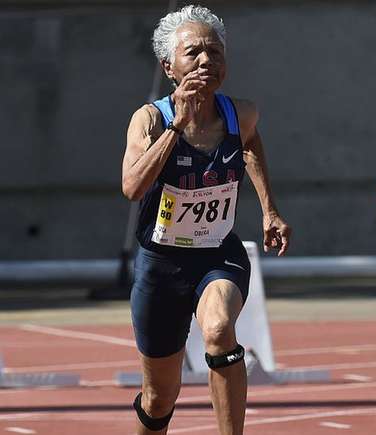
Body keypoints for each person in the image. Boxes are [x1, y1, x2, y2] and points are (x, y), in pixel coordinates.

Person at [121, 5, 290, 434]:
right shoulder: (150, 119)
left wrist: (269, 210)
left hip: (218, 254)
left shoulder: (241, 113)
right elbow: (132, 187)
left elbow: (250, 144)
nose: (205, 62)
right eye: (193, 53)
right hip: (161, 265)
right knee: (160, 398)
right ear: (168, 66)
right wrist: (175, 128)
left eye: (214, 53)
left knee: (218, 329)